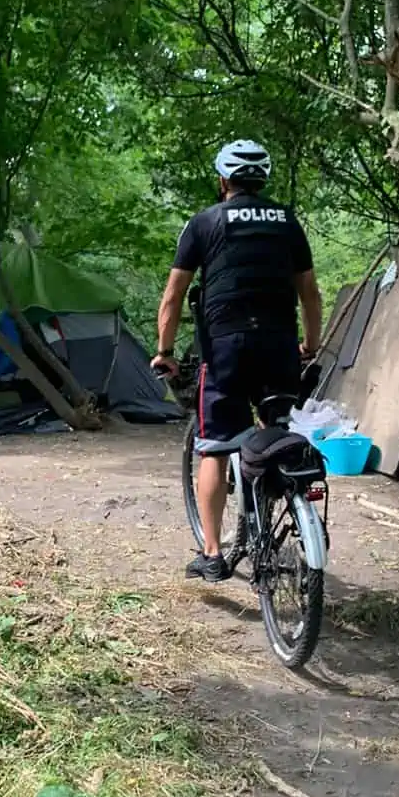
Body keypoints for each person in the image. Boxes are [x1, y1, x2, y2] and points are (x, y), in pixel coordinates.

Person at [152, 139, 323, 583]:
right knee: (276, 433)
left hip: (225, 348)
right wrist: (311, 343)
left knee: (214, 447)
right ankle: (275, 515)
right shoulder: (287, 222)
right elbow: (309, 293)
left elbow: (172, 297)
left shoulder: (204, 222)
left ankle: (212, 553)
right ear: (261, 180)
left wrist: (165, 353)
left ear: (223, 180)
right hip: (279, 345)